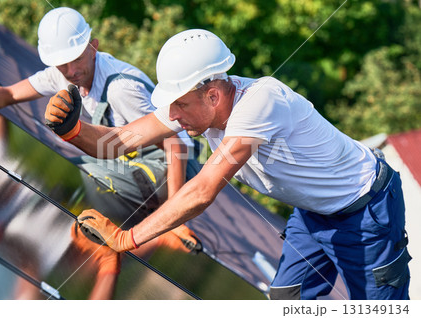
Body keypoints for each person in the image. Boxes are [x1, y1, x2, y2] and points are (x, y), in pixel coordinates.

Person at [44, 28, 411, 300]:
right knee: (287, 300)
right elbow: (118, 141)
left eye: (180, 105)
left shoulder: (261, 102)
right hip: (313, 214)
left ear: (214, 94)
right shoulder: (196, 103)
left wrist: (128, 238)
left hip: (364, 212)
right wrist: (72, 129)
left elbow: (203, 190)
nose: (172, 115)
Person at [0, 7, 201, 251]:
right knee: (83, 163)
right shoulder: (61, 75)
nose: (71, 71)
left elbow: (175, 145)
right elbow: (8, 94)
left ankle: (154, 230)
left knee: (92, 173)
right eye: (62, 64)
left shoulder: (121, 88)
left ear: (94, 47)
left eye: (77, 59)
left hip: (175, 166)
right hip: (137, 157)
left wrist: (176, 212)